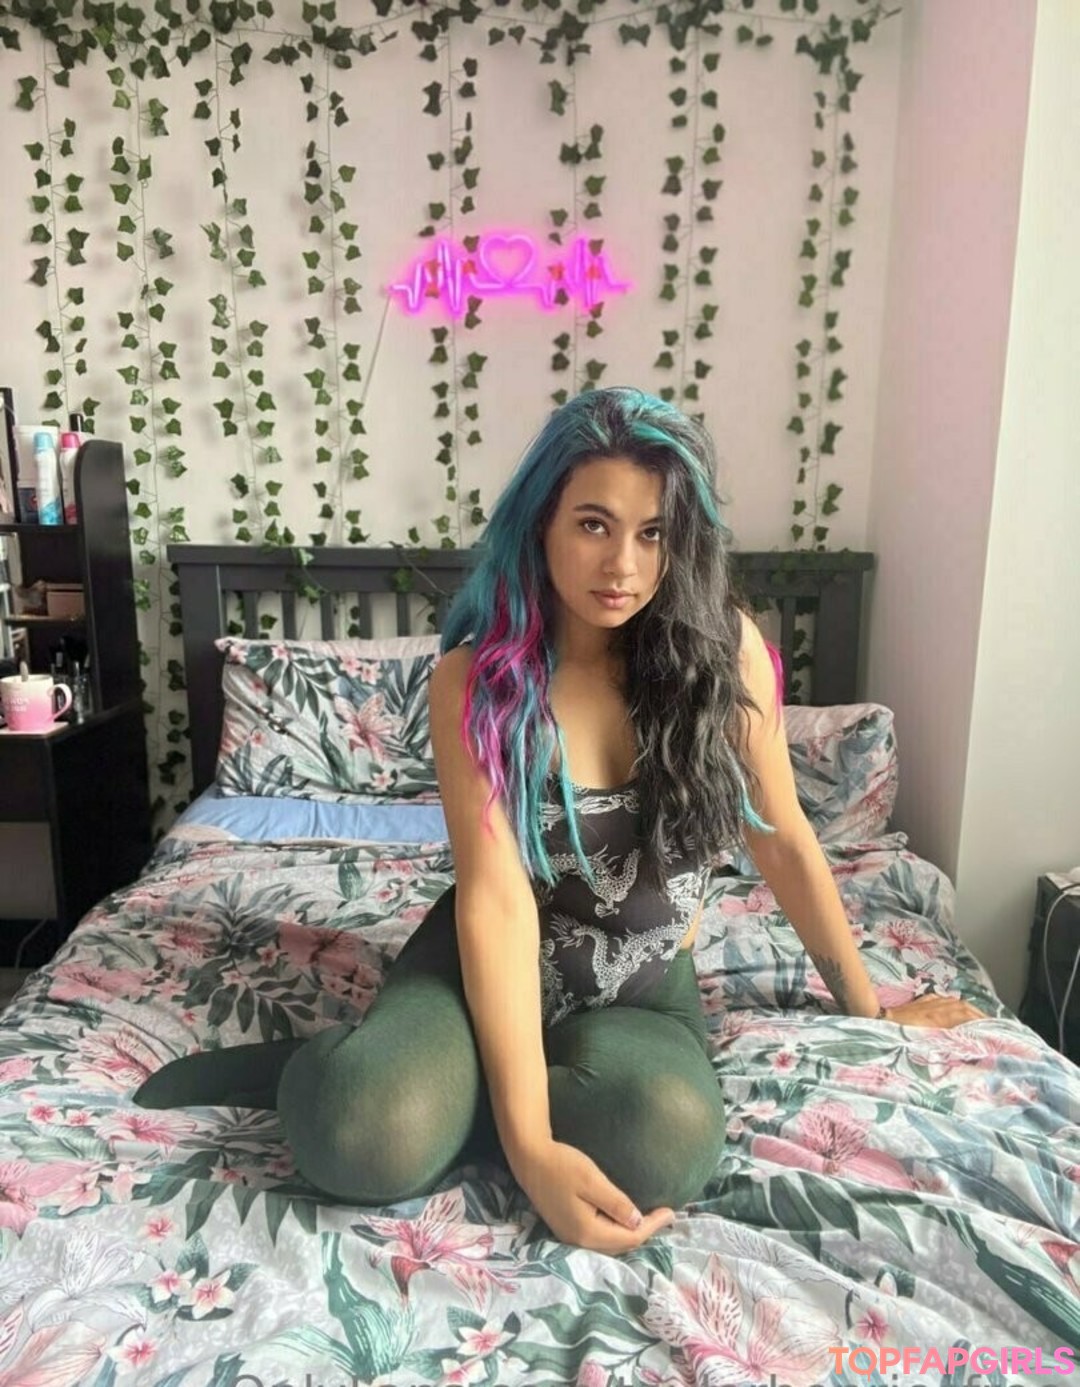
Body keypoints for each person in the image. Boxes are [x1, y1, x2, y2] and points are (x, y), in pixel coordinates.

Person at [136, 386, 983, 1253]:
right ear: (542, 523)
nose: (622, 564)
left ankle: (460, 1098)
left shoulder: (723, 656)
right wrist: (533, 1147)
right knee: (357, 1131)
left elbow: (784, 837)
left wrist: (871, 1011)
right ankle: (387, 1076)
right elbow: (496, 899)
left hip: (639, 982)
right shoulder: (476, 681)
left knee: (667, 1139)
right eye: (593, 524)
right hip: (482, 964)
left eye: (652, 532)